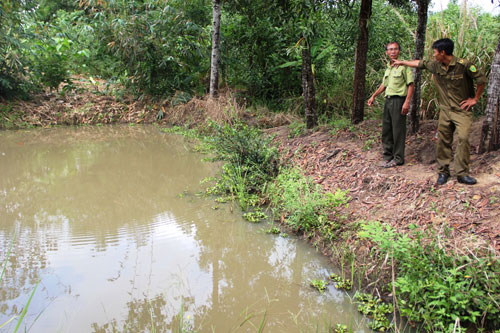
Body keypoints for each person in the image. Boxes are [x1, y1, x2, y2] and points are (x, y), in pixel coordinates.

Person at [393, 38, 487, 185]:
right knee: (443, 141)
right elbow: (420, 63)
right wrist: (402, 62)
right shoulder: (436, 65)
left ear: (443, 52)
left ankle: (462, 174)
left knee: (463, 138)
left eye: (435, 52)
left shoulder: (464, 65)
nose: (433, 55)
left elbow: (481, 80)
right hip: (445, 110)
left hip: (462, 110)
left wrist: (474, 99)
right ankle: (443, 172)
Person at [368, 41, 414, 168]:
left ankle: (398, 159)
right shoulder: (389, 67)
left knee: (398, 130)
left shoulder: (404, 66)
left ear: (399, 51)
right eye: (390, 49)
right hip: (388, 101)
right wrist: (373, 96)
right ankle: (388, 156)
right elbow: (384, 85)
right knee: (387, 130)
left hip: (399, 101)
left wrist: (407, 102)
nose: (393, 52)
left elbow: (411, 85)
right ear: (387, 52)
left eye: (395, 49)